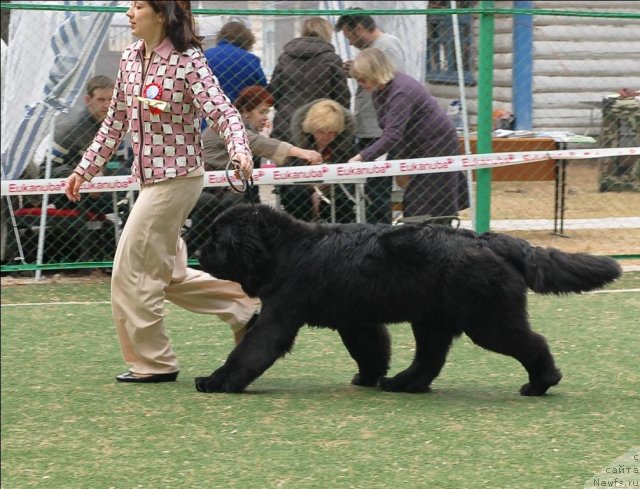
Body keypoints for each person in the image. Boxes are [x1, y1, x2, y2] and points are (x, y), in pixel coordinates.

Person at [64, 0, 259, 383]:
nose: (129, 12)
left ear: (161, 13)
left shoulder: (189, 62)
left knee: (130, 271)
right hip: (149, 179)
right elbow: (115, 122)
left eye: (138, 5)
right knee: (168, 274)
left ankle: (154, 362)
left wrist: (239, 149)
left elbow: (222, 112)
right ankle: (246, 309)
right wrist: (85, 168)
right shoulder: (131, 58)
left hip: (177, 180)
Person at [184, 85, 323, 253]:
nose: (266, 117)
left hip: (218, 186)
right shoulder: (229, 124)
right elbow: (258, 144)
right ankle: (190, 251)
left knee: (239, 200)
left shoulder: (243, 126)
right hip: (198, 184)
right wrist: (302, 153)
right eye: (262, 112)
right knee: (223, 203)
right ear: (246, 111)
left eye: (268, 112)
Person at [348, 48, 468, 221]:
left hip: (437, 144)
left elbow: (392, 135)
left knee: (426, 202)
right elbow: (391, 129)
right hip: (415, 145)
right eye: (357, 78)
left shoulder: (401, 91)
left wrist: (360, 157)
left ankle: (438, 236)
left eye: (362, 78)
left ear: (375, 73)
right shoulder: (378, 91)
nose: (359, 82)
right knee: (418, 200)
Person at [335, 9, 406, 225]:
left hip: (379, 129)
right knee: (370, 189)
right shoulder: (373, 49)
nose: (351, 43)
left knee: (378, 190)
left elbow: (389, 80)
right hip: (369, 126)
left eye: (350, 36)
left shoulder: (386, 45)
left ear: (360, 29)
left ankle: (380, 230)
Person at [269, 17, 350, 143]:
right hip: (320, 126)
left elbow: (274, 92)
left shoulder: (285, 58)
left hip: (285, 122)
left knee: (287, 160)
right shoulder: (331, 59)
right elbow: (342, 97)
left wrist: (286, 107)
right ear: (327, 33)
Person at [278, 98, 357, 223]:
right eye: (321, 132)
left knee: (343, 204)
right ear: (311, 129)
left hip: (333, 192)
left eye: (331, 133)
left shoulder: (344, 147)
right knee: (297, 195)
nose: (326, 137)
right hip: (302, 193)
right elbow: (286, 178)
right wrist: (312, 187)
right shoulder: (296, 146)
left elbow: (349, 182)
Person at [204, 21, 267, 105]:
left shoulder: (205, 56)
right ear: (247, 40)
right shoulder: (250, 59)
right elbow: (262, 87)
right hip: (239, 112)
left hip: (209, 111)